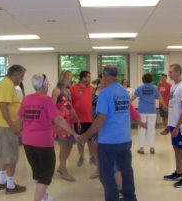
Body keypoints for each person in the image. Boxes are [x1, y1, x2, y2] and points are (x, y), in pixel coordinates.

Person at [17, 73, 79, 201]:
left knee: (39, 172)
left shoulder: (26, 99)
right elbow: (59, 120)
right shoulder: (47, 100)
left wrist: (21, 133)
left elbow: (18, 119)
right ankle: (38, 199)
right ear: (44, 85)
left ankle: (44, 196)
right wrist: (74, 133)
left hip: (28, 142)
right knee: (46, 174)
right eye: (48, 83)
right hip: (43, 143)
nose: (49, 85)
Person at [79, 64, 137, 201]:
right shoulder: (124, 91)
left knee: (106, 175)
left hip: (109, 142)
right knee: (126, 171)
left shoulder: (105, 93)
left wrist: (85, 135)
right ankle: (130, 198)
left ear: (104, 76)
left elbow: (100, 119)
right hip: (125, 140)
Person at [0, 64, 26, 194]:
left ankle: (1, 182)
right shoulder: (7, 85)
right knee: (11, 157)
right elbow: (3, 106)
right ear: (15, 75)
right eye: (21, 76)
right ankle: (10, 186)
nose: (21, 79)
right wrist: (13, 126)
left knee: (2, 155)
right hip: (5, 126)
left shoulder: (2, 84)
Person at [163, 64, 182, 188]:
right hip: (174, 125)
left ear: (178, 72)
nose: (168, 74)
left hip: (181, 126)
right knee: (176, 148)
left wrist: (177, 127)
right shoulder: (174, 87)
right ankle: (178, 173)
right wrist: (169, 125)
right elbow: (173, 108)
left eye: (170, 72)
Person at [51, 70, 81, 182]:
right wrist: (56, 125)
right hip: (60, 123)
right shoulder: (56, 91)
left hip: (69, 122)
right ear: (64, 79)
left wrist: (77, 119)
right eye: (70, 78)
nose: (71, 81)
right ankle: (64, 170)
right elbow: (52, 108)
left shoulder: (68, 91)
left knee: (70, 145)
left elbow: (71, 107)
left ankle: (61, 167)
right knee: (63, 147)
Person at [131, 73, 166, 154]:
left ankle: (142, 148)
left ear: (143, 79)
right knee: (151, 129)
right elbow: (160, 97)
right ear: (151, 80)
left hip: (142, 110)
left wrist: (127, 104)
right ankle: (152, 148)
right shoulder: (154, 88)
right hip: (152, 111)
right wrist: (164, 105)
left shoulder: (140, 88)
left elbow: (133, 98)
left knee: (141, 129)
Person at [70, 71, 94, 167]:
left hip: (90, 119)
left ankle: (92, 157)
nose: (90, 79)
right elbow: (69, 104)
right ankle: (81, 156)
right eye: (88, 77)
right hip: (78, 120)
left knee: (91, 140)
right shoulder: (73, 89)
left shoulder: (92, 89)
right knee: (80, 139)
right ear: (83, 78)